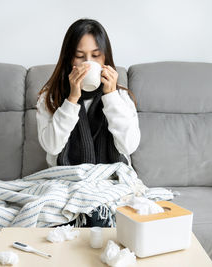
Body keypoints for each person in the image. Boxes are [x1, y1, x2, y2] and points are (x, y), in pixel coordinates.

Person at [36, 18, 141, 227]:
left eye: (95, 55)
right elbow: (51, 146)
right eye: (80, 56)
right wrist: (71, 100)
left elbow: (129, 146)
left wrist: (110, 96)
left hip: (110, 181)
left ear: (105, 59)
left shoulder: (121, 97)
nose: (88, 62)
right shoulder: (50, 98)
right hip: (67, 181)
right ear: (69, 59)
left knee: (99, 216)